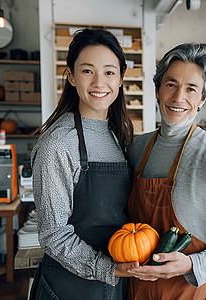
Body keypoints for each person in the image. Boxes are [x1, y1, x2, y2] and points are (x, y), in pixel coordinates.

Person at [126, 42, 206, 299]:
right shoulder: (137, 148)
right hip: (136, 289)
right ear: (157, 90)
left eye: (191, 89)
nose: (178, 98)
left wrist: (192, 264)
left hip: (187, 291)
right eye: (171, 85)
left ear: (201, 101)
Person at [29, 28, 138, 300]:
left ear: (122, 78)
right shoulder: (58, 143)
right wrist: (109, 268)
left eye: (109, 72)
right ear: (71, 77)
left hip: (114, 281)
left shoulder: (117, 134)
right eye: (88, 71)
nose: (100, 82)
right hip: (70, 286)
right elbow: (53, 234)